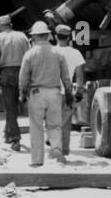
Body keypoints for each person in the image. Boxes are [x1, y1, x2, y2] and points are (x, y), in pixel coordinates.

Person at [17, 21, 73, 167]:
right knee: (55, 126)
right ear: (48, 35)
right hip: (55, 93)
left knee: (36, 127)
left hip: (36, 94)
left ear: (34, 37)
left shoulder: (29, 54)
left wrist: (22, 95)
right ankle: (57, 156)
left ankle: (37, 161)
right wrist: (68, 95)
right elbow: (66, 79)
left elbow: (23, 78)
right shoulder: (58, 53)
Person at [0, 14, 31, 151]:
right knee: (15, 106)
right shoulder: (22, 36)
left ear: (0, 26)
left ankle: (15, 139)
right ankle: (7, 134)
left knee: (10, 107)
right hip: (23, 72)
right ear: (10, 24)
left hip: (7, 74)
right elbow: (29, 56)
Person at [54, 23, 86, 158]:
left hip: (51, 92)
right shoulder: (76, 53)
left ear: (56, 37)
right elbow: (79, 74)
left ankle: (55, 150)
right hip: (67, 92)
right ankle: (64, 150)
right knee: (66, 123)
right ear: (69, 38)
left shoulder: (51, 52)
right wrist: (79, 90)